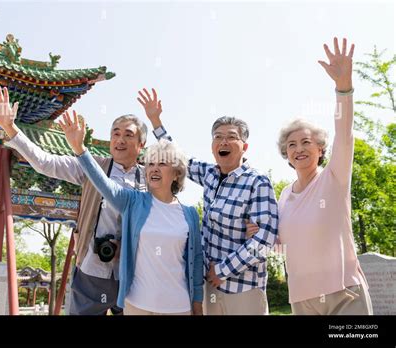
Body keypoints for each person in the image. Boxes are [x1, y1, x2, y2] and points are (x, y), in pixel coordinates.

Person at [0, 86, 148, 315]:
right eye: (115, 133)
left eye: (128, 135)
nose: (120, 139)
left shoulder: (150, 178)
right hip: (92, 270)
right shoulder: (93, 166)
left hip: (133, 274)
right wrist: (10, 128)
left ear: (141, 145)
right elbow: (45, 163)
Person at [139, 88, 278, 315]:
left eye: (232, 137)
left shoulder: (257, 181)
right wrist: (156, 121)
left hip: (244, 290)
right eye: (218, 137)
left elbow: (264, 240)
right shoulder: (211, 174)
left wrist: (222, 270)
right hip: (210, 288)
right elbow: (178, 156)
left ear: (245, 146)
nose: (224, 141)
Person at [59, 111, 204, 315]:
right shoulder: (134, 202)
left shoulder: (189, 214)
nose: (154, 168)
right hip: (137, 304)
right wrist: (80, 149)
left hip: (179, 306)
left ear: (177, 173)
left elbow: (196, 260)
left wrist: (197, 304)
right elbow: (102, 182)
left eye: (162, 163)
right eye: (150, 163)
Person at [276, 38, 373, 315]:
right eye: (291, 145)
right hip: (302, 299)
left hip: (344, 294)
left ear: (320, 149)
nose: (299, 149)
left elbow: (345, 132)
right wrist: (260, 235)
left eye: (306, 142)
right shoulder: (283, 195)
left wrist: (343, 89)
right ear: (286, 154)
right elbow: (285, 248)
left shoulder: (334, 176)